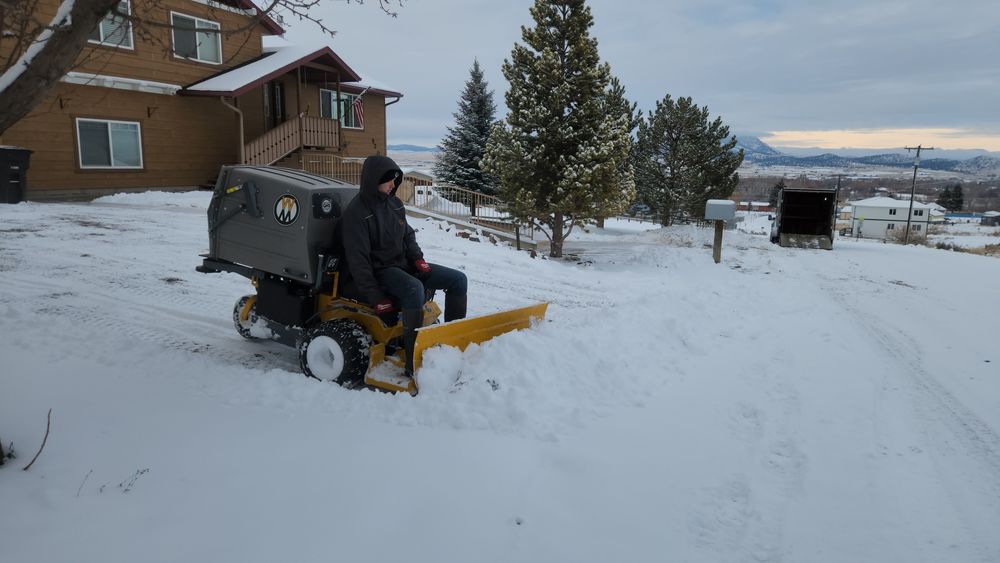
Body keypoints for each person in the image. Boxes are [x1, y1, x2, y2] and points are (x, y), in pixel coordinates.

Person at [339, 155, 468, 377]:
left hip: (404, 264)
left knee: (458, 280)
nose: (393, 185)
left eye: (395, 180)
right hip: (380, 271)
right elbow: (358, 262)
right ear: (373, 180)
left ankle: (453, 346)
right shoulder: (356, 214)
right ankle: (414, 363)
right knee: (413, 289)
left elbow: (408, 235)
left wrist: (418, 258)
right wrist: (377, 298)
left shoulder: (395, 204)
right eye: (389, 180)